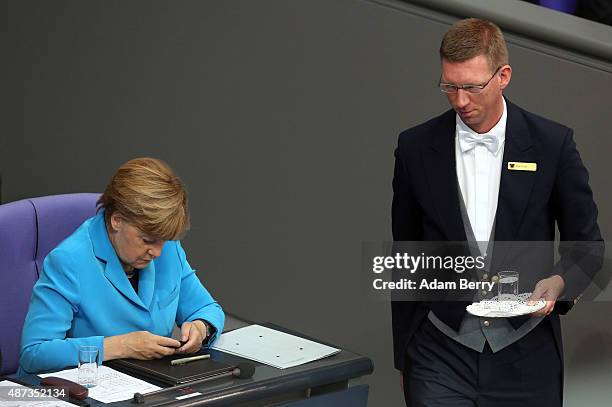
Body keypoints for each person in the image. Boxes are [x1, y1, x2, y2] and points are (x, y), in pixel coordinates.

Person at [391, 18, 602, 406]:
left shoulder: (553, 145)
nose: (460, 101)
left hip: (526, 358)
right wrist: (404, 356)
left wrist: (560, 284)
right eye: (449, 86)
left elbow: (589, 250)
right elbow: (406, 256)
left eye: (472, 87)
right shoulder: (415, 148)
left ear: (503, 75)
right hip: (439, 353)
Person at [19, 157, 224, 374]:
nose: (157, 252)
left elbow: (207, 308)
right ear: (117, 220)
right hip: (85, 387)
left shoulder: (167, 247)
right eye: (147, 240)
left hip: (151, 381)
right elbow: (35, 353)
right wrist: (120, 346)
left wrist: (201, 326)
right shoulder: (69, 260)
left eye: (163, 240)